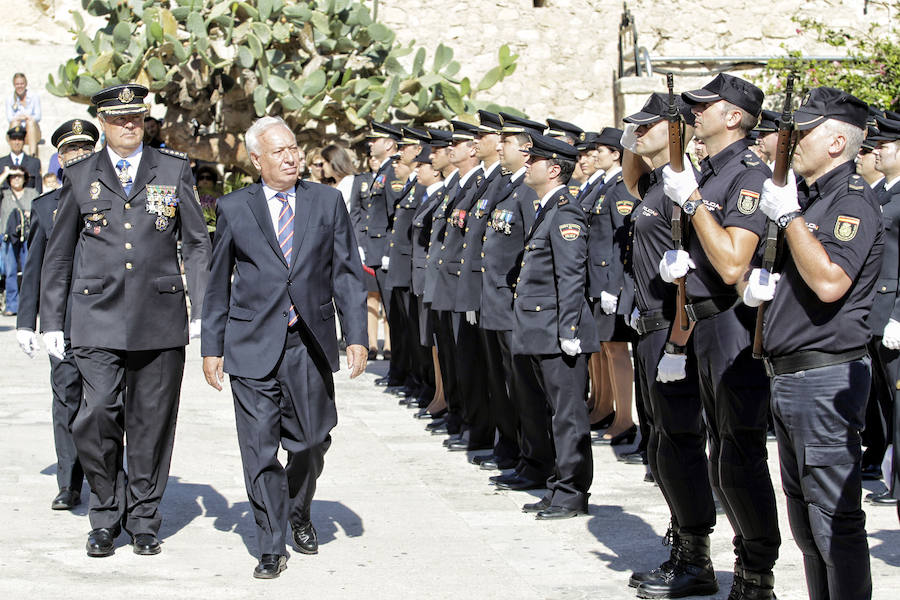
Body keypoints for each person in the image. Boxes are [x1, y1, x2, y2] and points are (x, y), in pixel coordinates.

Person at [39, 83, 210, 558]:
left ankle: (144, 518)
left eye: (136, 118)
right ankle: (105, 511)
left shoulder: (172, 170)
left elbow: (196, 243)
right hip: (95, 316)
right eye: (118, 120)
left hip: (159, 316)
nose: (129, 125)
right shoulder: (80, 175)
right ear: (104, 125)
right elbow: (58, 255)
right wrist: (52, 321)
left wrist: (202, 307)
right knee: (94, 415)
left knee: (152, 422)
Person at [201, 115, 367, 579]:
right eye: (279, 151)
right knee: (258, 450)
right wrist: (210, 346)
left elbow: (347, 275)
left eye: (294, 148)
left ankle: (298, 509)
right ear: (257, 160)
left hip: (307, 343)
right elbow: (217, 284)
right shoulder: (235, 207)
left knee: (312, 441)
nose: (291, 157)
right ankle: (271, 543)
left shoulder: (327, 202)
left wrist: (356, 335)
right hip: (250, 343)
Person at [740, 86, 878, 600]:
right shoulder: (813, 198)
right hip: (791, 376)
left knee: (833, 522)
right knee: (806, 523)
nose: (790, 139)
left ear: (838, 142)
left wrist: (790, 217)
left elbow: (829, 282)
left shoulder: (851, 203)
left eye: (804, 130)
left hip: (824, 377)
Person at [660, 73, 780, 599]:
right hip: (707, 322)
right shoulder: (711, 170)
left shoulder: (748, 173)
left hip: (735, 323)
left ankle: (756, 575)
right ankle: (723, 561)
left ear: (733, 115)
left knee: (739, 454)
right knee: (718, 455)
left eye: (704, 105)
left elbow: (733, 262)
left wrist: (692, 204)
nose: (694, 114)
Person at [620, 93, 717, 599]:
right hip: (651, 325)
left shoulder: (684, 186)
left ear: (675, 130)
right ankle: (681, 540)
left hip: (674, 328)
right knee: (661, 446)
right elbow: (628, 162)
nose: (636, 134)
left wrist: (679, 342)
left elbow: (693, 276)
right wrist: (643, 139)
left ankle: (696, 558)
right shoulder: (656, 183)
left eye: (648, 126)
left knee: (680, 446)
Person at [514, 133, 599, 519]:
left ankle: (572, 492)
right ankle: (558, 484)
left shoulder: (565, 211)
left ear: (552, 169)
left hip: (557, 331)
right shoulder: (547, 208)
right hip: (541, 328)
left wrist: (569, 330)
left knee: (568, 415)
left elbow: (571, 276)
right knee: (555, 412)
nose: (526, 164)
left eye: (533, 160)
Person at [16, 118, 99, 510]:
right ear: (60, 160)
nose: (78, 156)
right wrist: (25, 323)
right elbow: (35, 269)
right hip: (61, 321)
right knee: (66, 399)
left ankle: (107, 476)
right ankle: (69, 482)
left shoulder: (112, 199)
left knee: (105, 402)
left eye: (85, 149)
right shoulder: (44, 207)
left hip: (104, 318)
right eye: (70, 151)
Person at [481, 113, 551, 490]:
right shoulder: (509, 188)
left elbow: (532, 251)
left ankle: (536, 460)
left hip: (514, 306)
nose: (499, 145)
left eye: (506, 141)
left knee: (527, 390)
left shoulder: (527, 194)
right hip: (498, 303)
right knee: (512, 387)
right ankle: (524, 457)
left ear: (526, 150)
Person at [581, 127, 638, 445]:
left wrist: (614, 287)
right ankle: (603, 406)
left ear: (616, 153)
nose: (594, 155)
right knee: (601, 347)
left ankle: (624, 418)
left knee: (616, 350)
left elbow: (621, 242)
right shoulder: (605, 186)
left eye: (600, 150)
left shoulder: (620, 188)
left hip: (607, 280)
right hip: (596, 279)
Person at [863, 114, 900, 504]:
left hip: (893, 313)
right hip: (878, 310)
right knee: (885, 400)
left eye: (884, 146)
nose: (876, 152)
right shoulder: (884, 195)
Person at [0, 165, 37, 315]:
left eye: (19, 176)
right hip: (8, 236)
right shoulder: (4, 194)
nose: (16, 179)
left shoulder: (32, 192)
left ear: (25, 178)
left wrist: (30, 213)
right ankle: (12, 305)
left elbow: (40, 210)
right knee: (10, 271)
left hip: (27, 236)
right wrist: (6, 172)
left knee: (29, 271)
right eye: (13, 176)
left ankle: (28, 306)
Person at [6, 73, 41, 156]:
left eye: (22, 83)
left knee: (31, 122)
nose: (20, 86)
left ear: (25, 84)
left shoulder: (34, 97)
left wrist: (27, 117)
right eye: (17, 84)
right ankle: (15, 154)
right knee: (15, 122)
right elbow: (9, 118)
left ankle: (33, 155)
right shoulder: (10, 99)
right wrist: (19, 117)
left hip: (32, 132)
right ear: (14, 85)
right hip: (18, 131)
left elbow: (38, 116)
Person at [0, 124, 42, 193]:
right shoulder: (1, 163)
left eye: (20, 139)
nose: (17, 142)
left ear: (24, 141)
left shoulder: (34, 162)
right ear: (9, 141)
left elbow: (38, 189)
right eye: (14, 139)